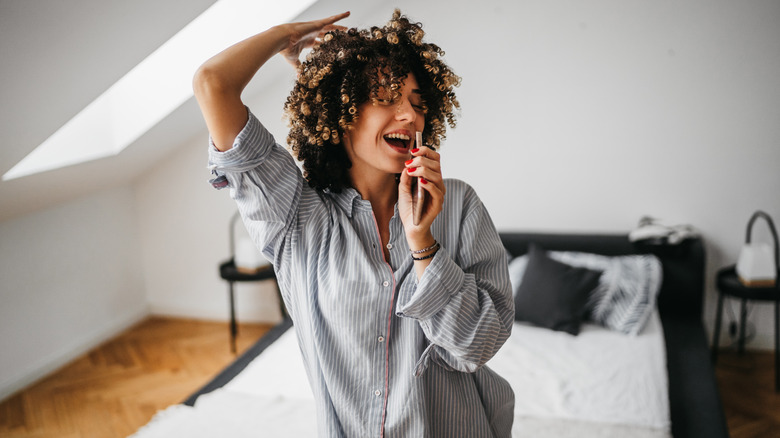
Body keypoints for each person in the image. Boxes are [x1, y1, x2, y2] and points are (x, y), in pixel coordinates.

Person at [193, 9, 515, 437]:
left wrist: (423, 243)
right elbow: (212, 83)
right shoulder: (296, 218)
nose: (409, 117)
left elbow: (479, 345)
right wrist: (286, 35)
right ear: (339, 112)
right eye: (386, 97)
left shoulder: (458, 206)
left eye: (418, 105)